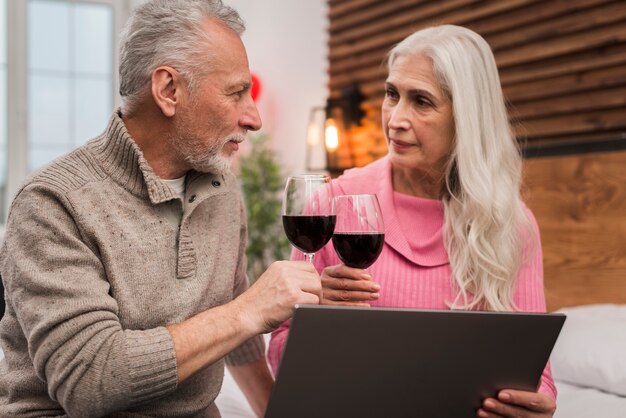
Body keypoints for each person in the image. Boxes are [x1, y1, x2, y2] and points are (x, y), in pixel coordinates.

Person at [0, 0, 322, 416]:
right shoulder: (52, 204)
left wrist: (272, 409)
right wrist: (248, 310)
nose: (254, 118)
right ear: (169, 90)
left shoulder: (222, 188)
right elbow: (91, 380)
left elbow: (238, 327)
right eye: (237, 92)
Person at [269, 24, 557, 418]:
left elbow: (536, 371)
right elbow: (281, 351)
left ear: (466, 117)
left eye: (421, 101)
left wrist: (533, 403)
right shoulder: (332, 203)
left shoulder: (511, 224)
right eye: (392, 94)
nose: (395, 119)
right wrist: (321, 325)